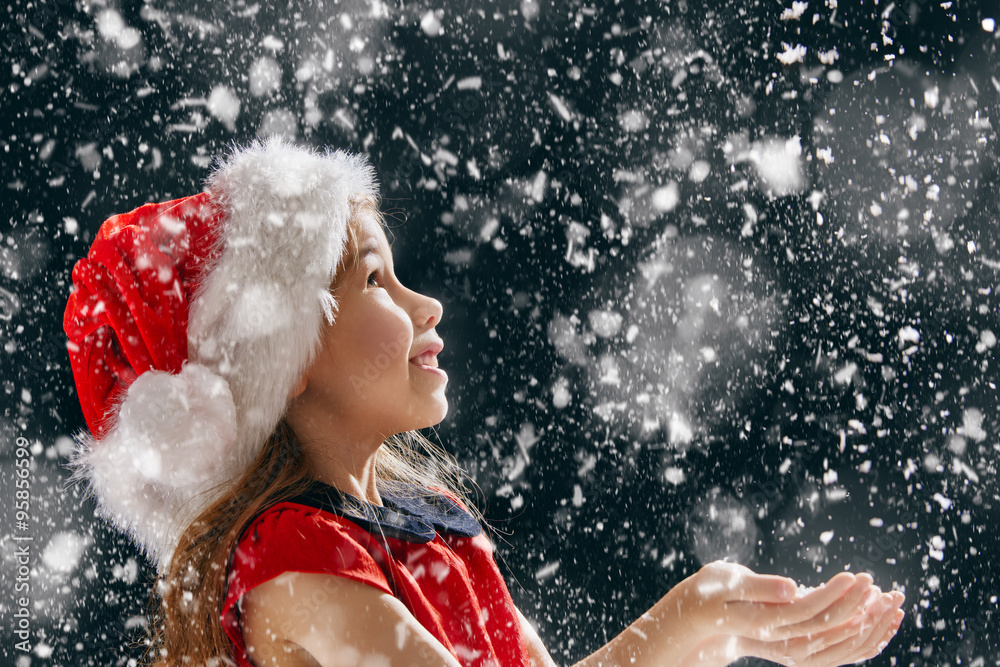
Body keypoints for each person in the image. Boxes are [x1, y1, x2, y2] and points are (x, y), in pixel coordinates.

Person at [63, 137, 905, 667]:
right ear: (283, 360)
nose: (425, 305)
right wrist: (686, 619)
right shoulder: (292, 557)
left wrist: (707, 613)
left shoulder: (429, 523)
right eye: (373, 279)